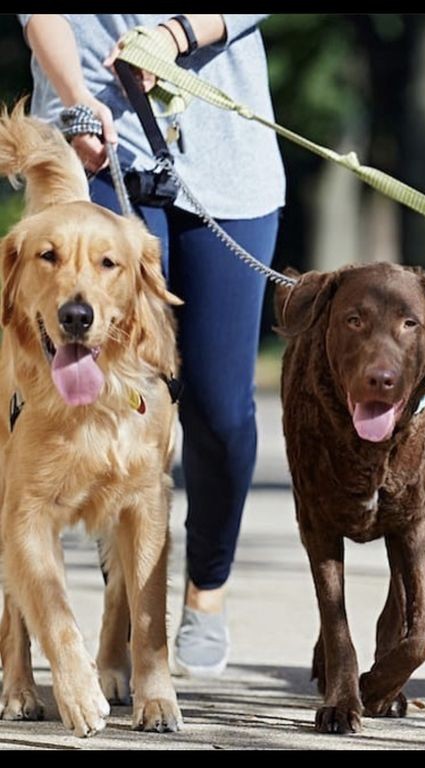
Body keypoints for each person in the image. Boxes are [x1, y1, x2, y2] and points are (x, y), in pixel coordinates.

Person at [18, 14, 286, 677]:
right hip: (93, 141)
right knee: (85, 400)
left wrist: (179, 33)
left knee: (222, 412)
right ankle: (105, 626)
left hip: (228, 160)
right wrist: (74, 100)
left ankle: (206, 591)